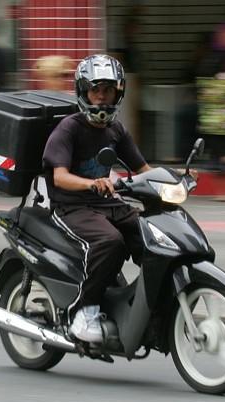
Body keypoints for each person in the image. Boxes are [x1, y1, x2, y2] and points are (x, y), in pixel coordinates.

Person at [42, 55, 152, 343]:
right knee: (109, 242)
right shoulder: (69, 128)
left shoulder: (116, 130)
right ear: (83, 91)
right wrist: (92, 183)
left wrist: (174, 181)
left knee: (153, 237)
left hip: (107, 203)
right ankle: (84, 313)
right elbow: (59, 177)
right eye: (95, 89)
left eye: (108, 90)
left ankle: (150, 304)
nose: (101, 97)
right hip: (71, 206)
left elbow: (143, 169)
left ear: (118, 92)